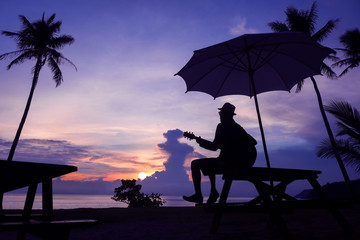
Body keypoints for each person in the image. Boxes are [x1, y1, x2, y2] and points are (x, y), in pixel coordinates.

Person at [183, 102, 257, 205]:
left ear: (225, 114)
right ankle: (213, 191)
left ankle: (198, 195)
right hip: (245, 163)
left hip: (230, 163)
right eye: (220, 113)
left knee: (195, 164)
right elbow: (254, 142)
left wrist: (198, 140)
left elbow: (214, 147)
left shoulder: (222, 126)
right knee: (213, 162)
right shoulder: (237, 127)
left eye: (221, 113)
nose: (220, 115)